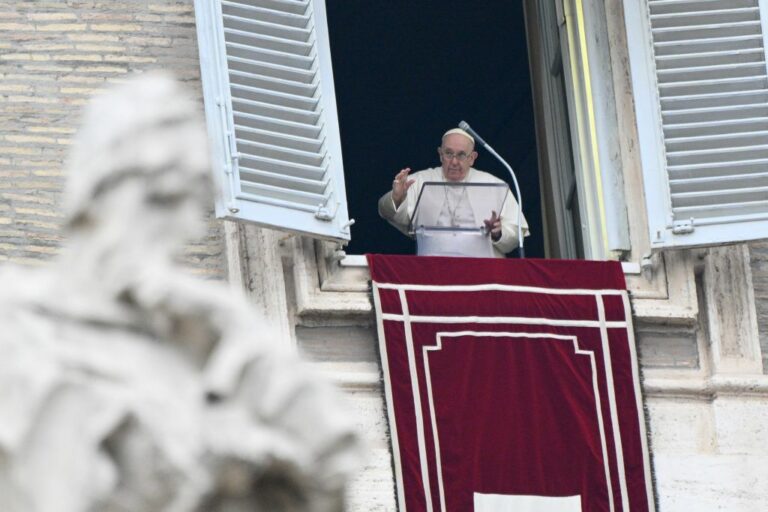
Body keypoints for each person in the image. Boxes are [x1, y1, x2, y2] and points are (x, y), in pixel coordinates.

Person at [378, 127, 528, 257]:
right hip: (433, 271)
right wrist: (397, 198)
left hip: (484, 273)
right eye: (449, 153)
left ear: (472, 158)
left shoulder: (494, 184)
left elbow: (516, 233)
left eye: (461, 155)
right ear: (440, 154)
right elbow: (386, 211)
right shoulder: (420, 180)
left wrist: (498, 232)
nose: (454, 161)